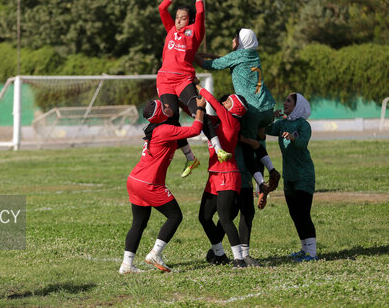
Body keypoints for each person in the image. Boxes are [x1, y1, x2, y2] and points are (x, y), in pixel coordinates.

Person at [119, 96, 207, 274]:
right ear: (160, 113)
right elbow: (196, 129)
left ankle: (126, 265)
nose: (168, 106)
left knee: (139, 222)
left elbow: (168, 146)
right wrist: (200, 108)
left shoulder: (155, 129)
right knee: (175, 216)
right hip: (149, 183)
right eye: (164, 106)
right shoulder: (165, 129)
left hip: (135, 180)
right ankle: (155, 254)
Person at [196, 28, 281, 208]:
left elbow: (209, 65)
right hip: (266, 108)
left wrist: (187, 54)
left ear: (240, 40)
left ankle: (248, 186)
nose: (232, 41)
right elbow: (222, 59)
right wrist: (209, 54)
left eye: (234, 38)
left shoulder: (238, 55)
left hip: (252, 111)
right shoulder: (252, 54)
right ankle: (270, 170)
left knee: (244, 148)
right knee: (258, 142)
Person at [157, 0, 230, 179]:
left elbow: (200, 13)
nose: (179, 20)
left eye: (183, 18)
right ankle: (190, 158)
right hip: (164, 80)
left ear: (189, 21)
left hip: (183, 80)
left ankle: (218, 148)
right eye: (177, 17)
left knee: (197, 109)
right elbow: (162, 7)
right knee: (171, 120)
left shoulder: (194, 33)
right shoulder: (171, 29)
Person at [194, 85, 250, 268]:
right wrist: (182, 99)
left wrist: (196, 85)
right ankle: (219, 254)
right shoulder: (218, 120)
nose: (224, 102)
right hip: (214, 175)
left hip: (227, 174)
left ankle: (239, 259)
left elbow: (213, 102)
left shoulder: (231, 121)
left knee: (225, 218)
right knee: (204, 217)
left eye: (228, 101)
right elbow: (197, 112)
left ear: (234, 107)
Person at [265, 93, 318, 262]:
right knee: (295, 214)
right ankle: (304, 250)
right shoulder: (282, 124)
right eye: (285, 99)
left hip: (304, 175)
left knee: (303, 214)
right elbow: (265, 129)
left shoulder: (304, 125)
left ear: (298, 105)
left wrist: (293, 137)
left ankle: (312, 253)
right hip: (289, 177)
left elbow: (302, 143)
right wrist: (270, 117)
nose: (285, 102)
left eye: (289, 100)